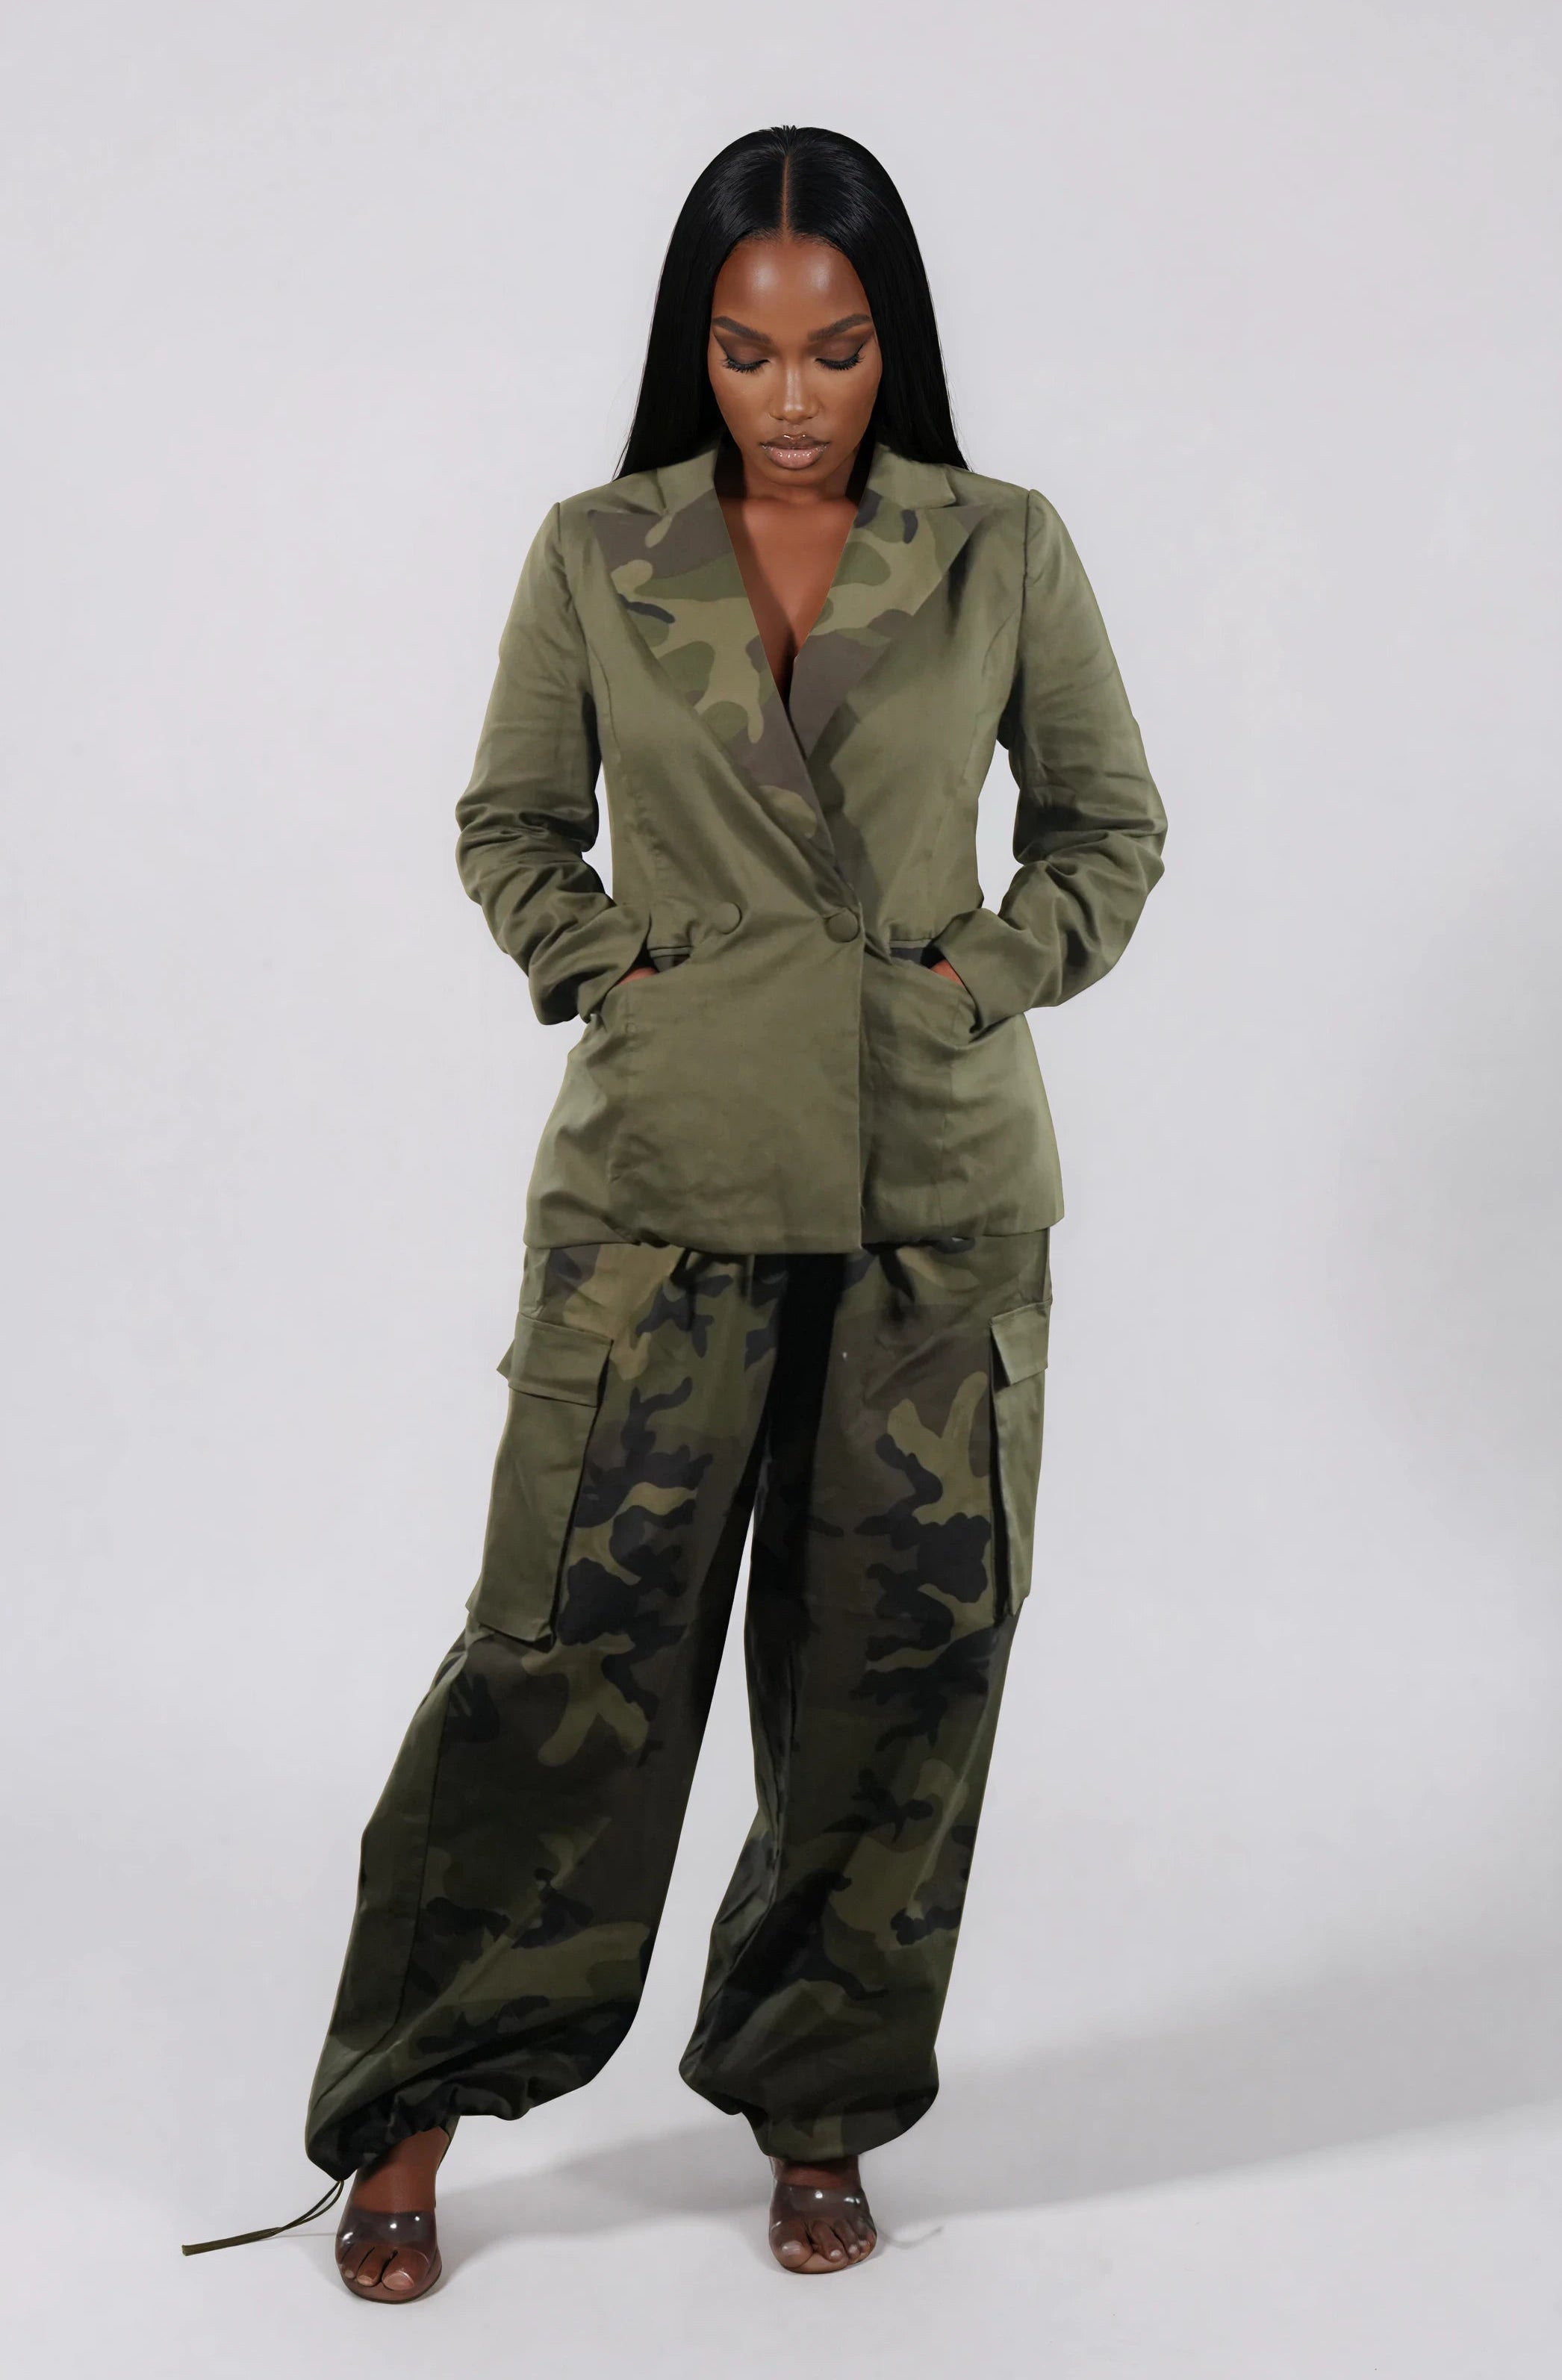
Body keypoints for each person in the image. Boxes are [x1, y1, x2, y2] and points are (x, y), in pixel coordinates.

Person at [182, 121, 1166, 2294]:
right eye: (745, 349)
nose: (790, 396)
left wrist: (979, 976)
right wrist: (614, 967)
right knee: (559, 1659)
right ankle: (412, 2101)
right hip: (659, 1189)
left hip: (932, 1195)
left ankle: (821, 2102)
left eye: (833, 348)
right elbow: (511, 821)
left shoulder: (999, 545)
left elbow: (1107, 824)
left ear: (891, 343)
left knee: (901, 1665)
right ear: (693, 346)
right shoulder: (596, 549)